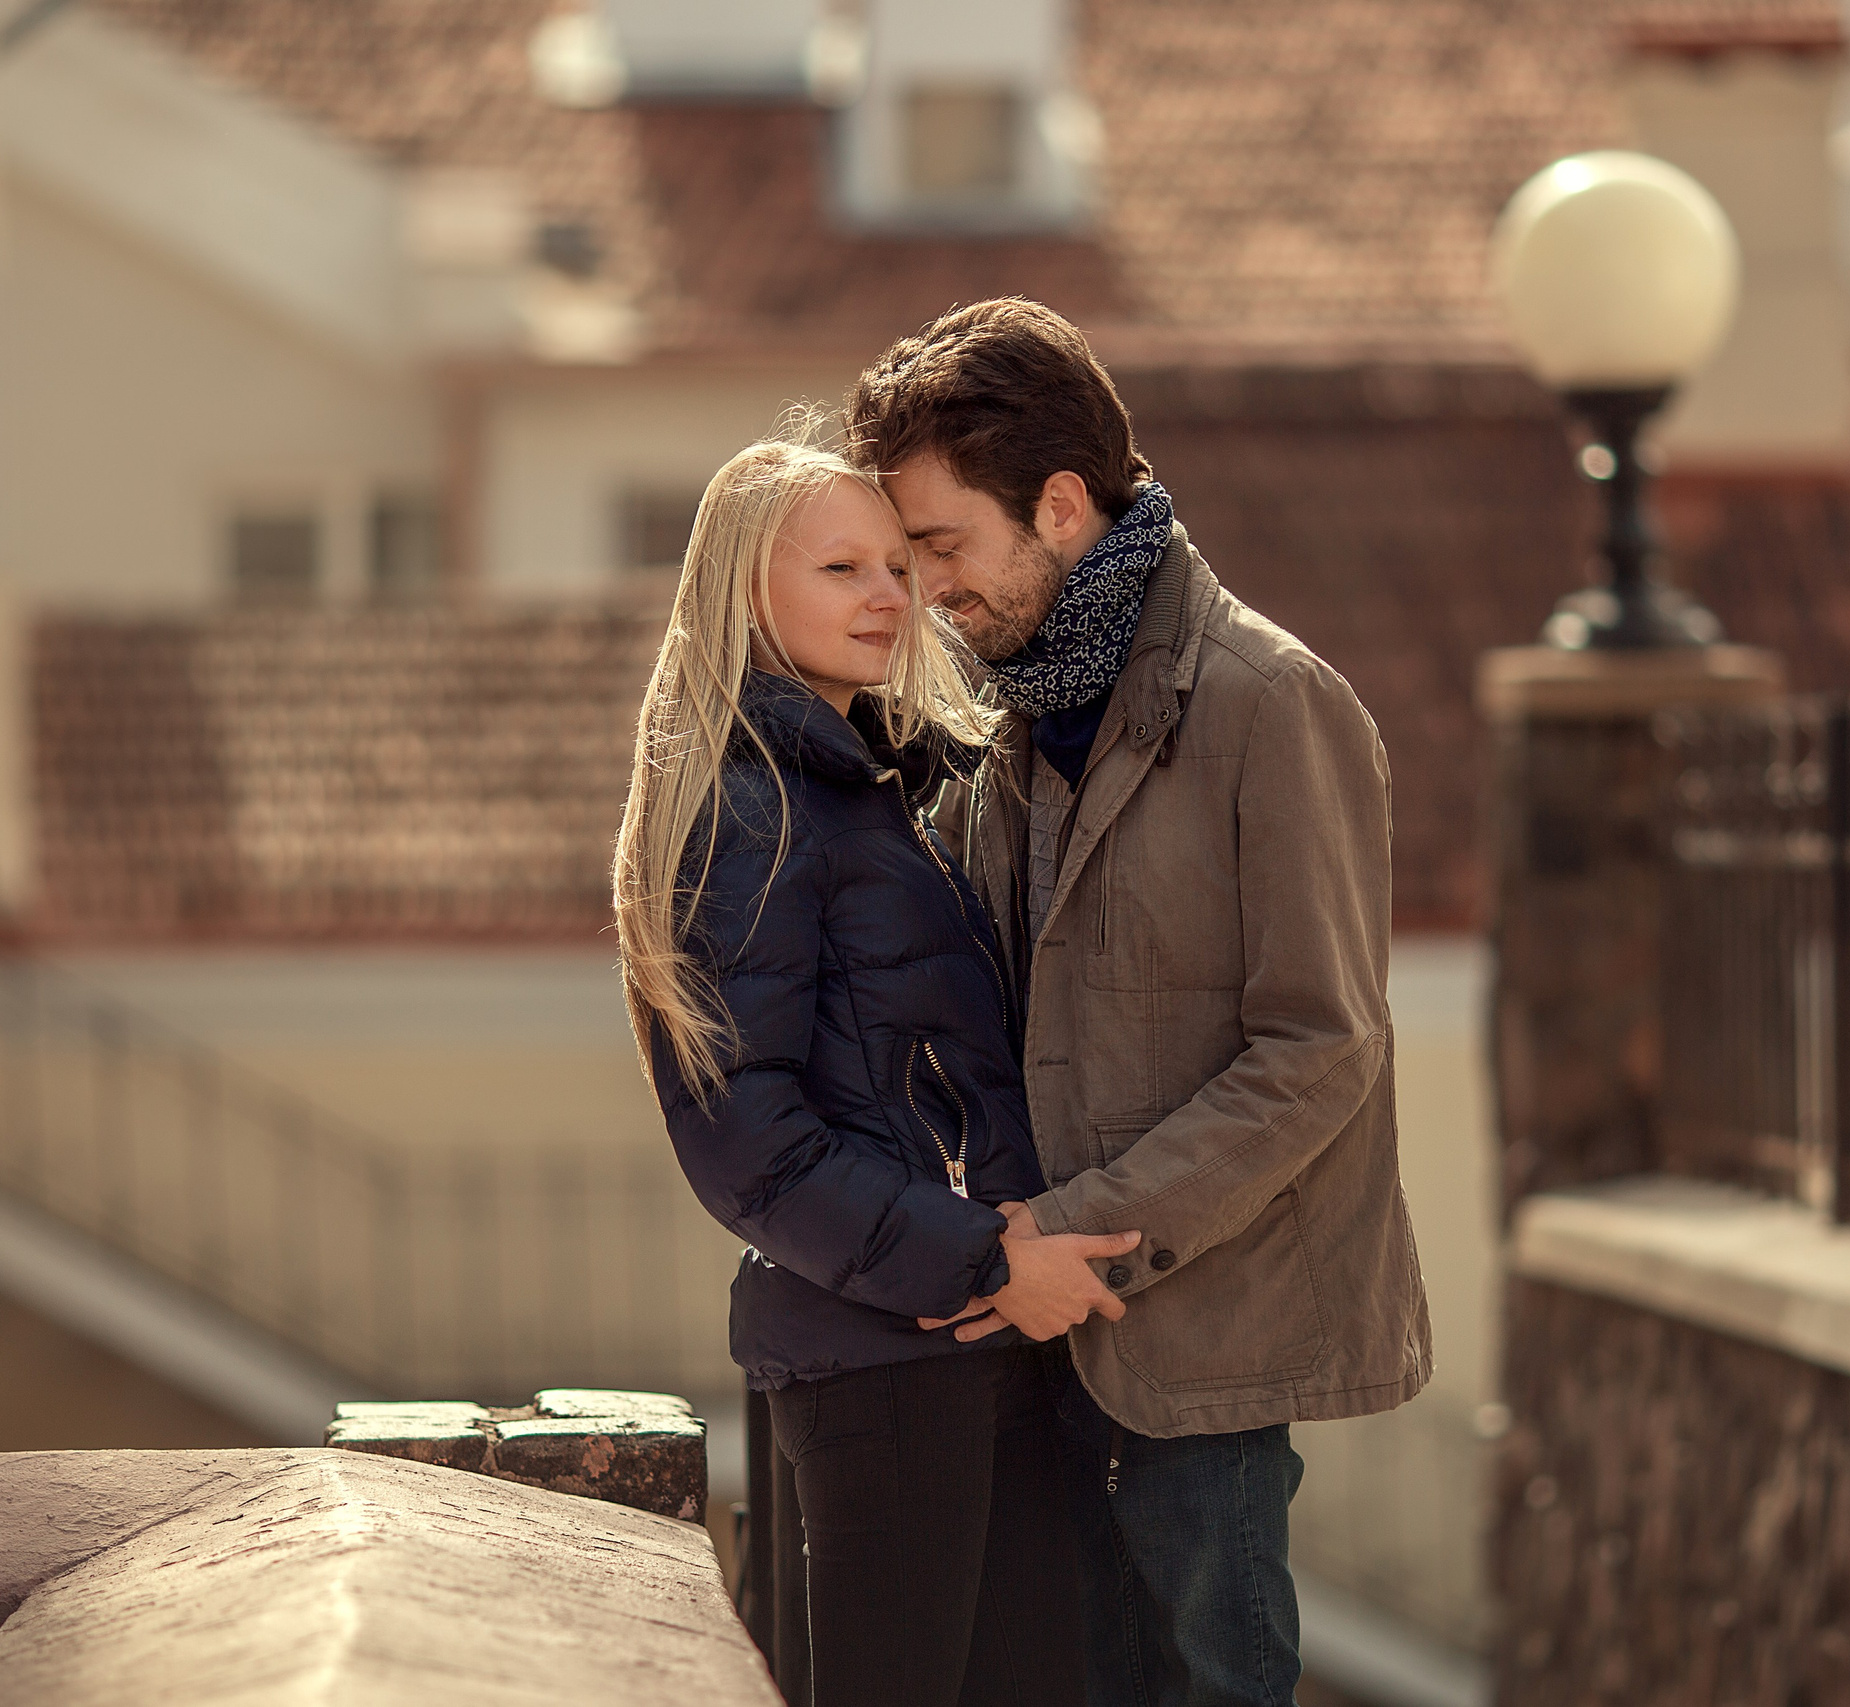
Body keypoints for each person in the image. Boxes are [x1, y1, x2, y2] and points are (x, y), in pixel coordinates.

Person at [847, 300, 1434, 1707]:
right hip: (1040, 1335)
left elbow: (1322, 1044)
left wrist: (1080, 1236)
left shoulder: (1273, 702)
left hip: (1203, 1348)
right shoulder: (1017, 717)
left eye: (942, 545)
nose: (927, 589)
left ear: (1058, 505)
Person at [610, 425, 1139, 1707]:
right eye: (842, 569)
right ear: (747, 591)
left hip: (974, 1346)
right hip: (893, 1365)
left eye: (897, 567)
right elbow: (744, 1142)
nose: (888, 598)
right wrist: (985, 1259)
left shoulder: (874, 786)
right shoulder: (752, 807)